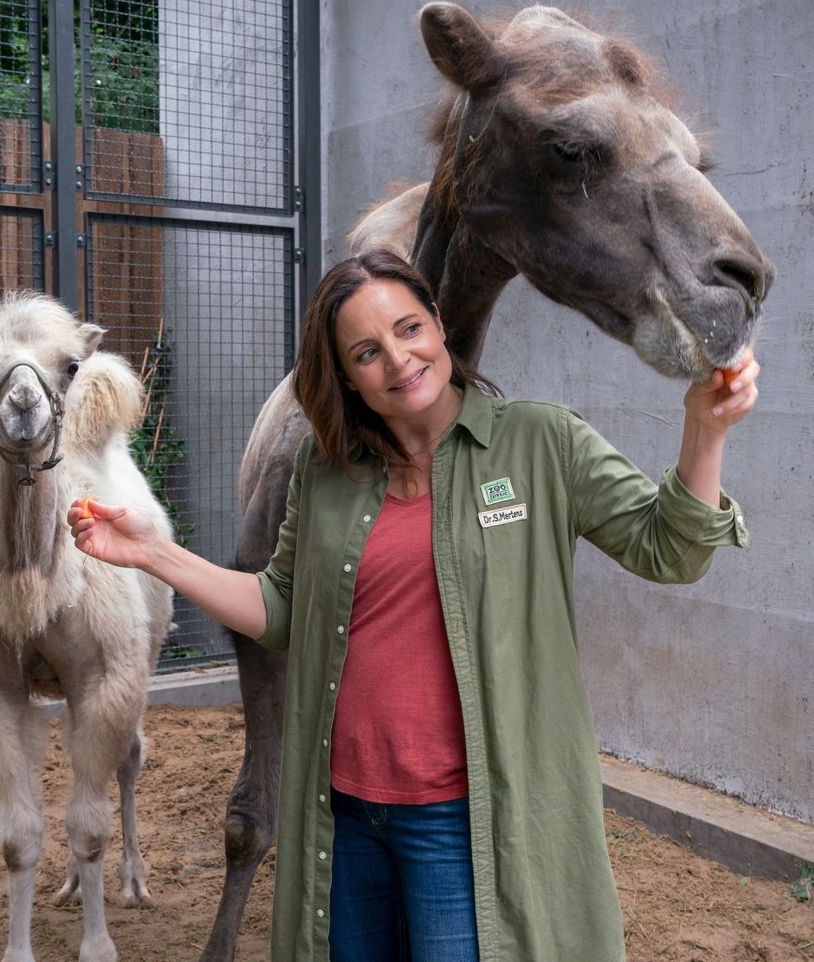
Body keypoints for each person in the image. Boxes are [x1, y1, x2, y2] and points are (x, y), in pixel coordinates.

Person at [68, 249, 758, 962]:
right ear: (343, 376)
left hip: (459, 818)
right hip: (342, 816)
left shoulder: (539, 441)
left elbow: (670, 549)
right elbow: (280, 606)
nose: (398, 360)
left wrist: (704, 433)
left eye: (408, 328)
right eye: (366, 351)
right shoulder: (323, 469)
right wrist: (154, 552)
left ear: (437, 324)